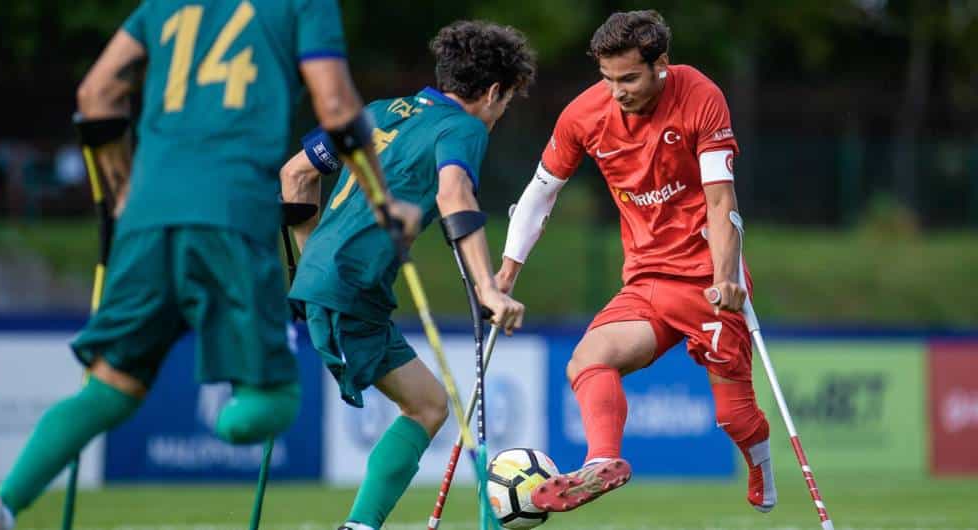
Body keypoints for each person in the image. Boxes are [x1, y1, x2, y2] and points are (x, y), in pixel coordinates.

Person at [0, 1, 416, 529]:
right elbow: (335, 103)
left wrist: (121, 191)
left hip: (146, 219)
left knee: (108, 387)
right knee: (273, 403)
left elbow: (95, 93)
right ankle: (232, 416)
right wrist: (383, 202)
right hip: (230, 214)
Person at [495, 10, 776, 514]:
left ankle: (761, 468)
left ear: (660, 64)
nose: (617, 91)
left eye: (628, 79)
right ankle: (602, 461)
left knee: (734, 417)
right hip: (646, 279)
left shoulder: (700, 95)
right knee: (587, 360)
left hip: (708, 280)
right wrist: (506, 275)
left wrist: (726, 278)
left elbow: (720, 200)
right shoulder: (584, 115)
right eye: (607, 78)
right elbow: (539, 195)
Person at [280, 20, 536, 530]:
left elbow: (296, 174)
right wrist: (488, 289)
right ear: (492, 92)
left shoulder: (379, 112)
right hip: (352, 286)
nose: (499, 115)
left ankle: (359, 526)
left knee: (429, 404)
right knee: (427, 407)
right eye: (505, 103)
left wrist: (310, 264)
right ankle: (359, 526)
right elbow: (454, 193)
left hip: (332, 282)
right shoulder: (464, 127)